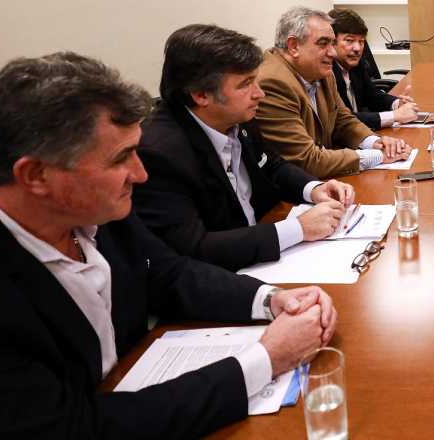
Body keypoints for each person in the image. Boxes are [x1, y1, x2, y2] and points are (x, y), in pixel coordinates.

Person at [0, 52, 338, 438]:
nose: (141, 174)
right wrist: (265, 360)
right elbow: (73, 427)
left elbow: (168, 273)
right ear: (35, 175)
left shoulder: (89, 206)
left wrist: (272, 300)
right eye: (121, 159)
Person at [135, 24, 356, 272]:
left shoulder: (238, 116)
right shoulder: (159, 154)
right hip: (226, 276)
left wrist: (314, 188)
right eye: (245, 84)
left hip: (266, 254)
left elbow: (272, 166)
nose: (259, 94)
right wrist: (298, 229)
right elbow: (194, 248)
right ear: (201, 94)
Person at [256, 6, 410, 179]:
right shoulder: (273, 83)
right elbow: (306, 160)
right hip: (293, 189)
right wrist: (378, 156)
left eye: (332, 43)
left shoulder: (321, 72)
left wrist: (375, 142)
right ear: (293, 46)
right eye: (323, 43)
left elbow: (343, 120)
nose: (332, 52)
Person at [329, 8, 419, 130]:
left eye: (361, 41)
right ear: (332, 42)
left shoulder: (356, 64)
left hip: (362, 134)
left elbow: (372, 96)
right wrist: (394, 116)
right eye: (349, 40)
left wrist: (397, 104)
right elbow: (342, 120)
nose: (357, 48)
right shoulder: (326, 72)